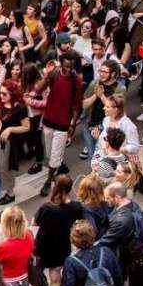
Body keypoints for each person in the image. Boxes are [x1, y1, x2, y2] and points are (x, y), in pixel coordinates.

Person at [33, 57, 83, 196]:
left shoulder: (76, 80)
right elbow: (38, 90)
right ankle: (58, 165)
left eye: (71, 66)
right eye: (66, 66)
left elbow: (77, 105)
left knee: (54, 156)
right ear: (61, 64)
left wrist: (72, 125)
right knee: (50, 154)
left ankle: (48, 181)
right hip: (49, 120)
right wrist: (47, 76)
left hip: (63, 124)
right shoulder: (54, 74)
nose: (68, 69)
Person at [32, 174, 86, 286]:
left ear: (55, 187)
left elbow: (35, 222)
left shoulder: (47, 207)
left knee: (36, 281)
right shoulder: (76, 207)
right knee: (55, 279)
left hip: (42, 247)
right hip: (62, 246)